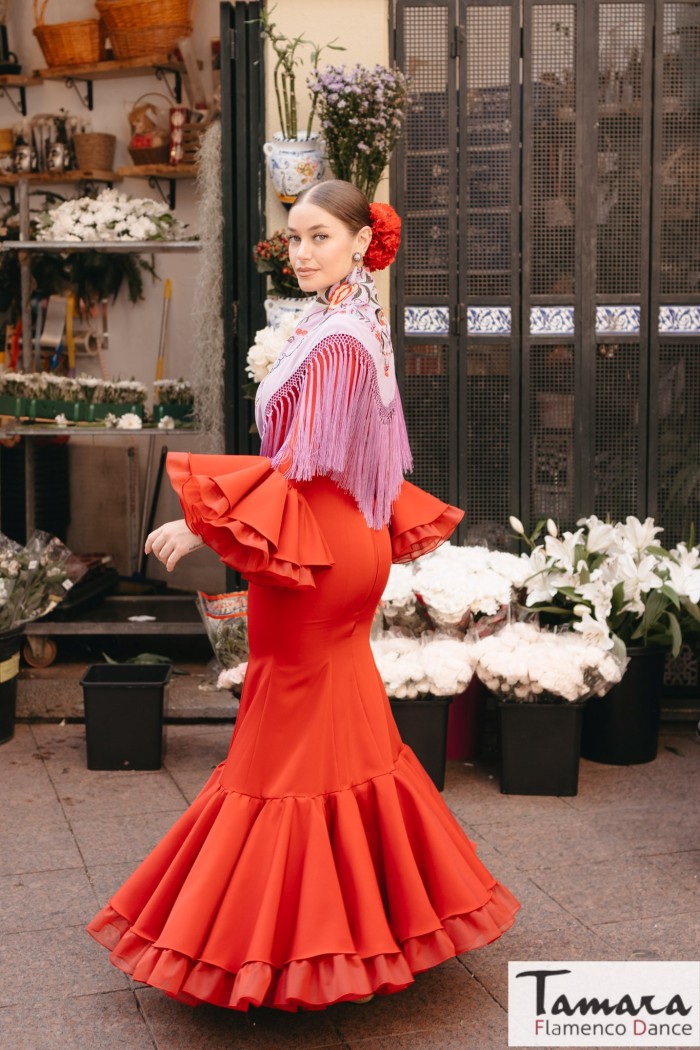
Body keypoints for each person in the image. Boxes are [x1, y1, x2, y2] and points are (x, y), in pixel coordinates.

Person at [86, 180, 519, 1011]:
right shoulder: (348, 322)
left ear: (362, 242)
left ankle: (276, 942)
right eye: (293, 239)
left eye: (320, 236)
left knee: (280, 735)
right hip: (342, 540)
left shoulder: (337, 337)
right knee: (335, 731)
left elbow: (301, 460)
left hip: (317, 551)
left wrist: (200, 526)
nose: (303, 252)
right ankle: (370, 917)